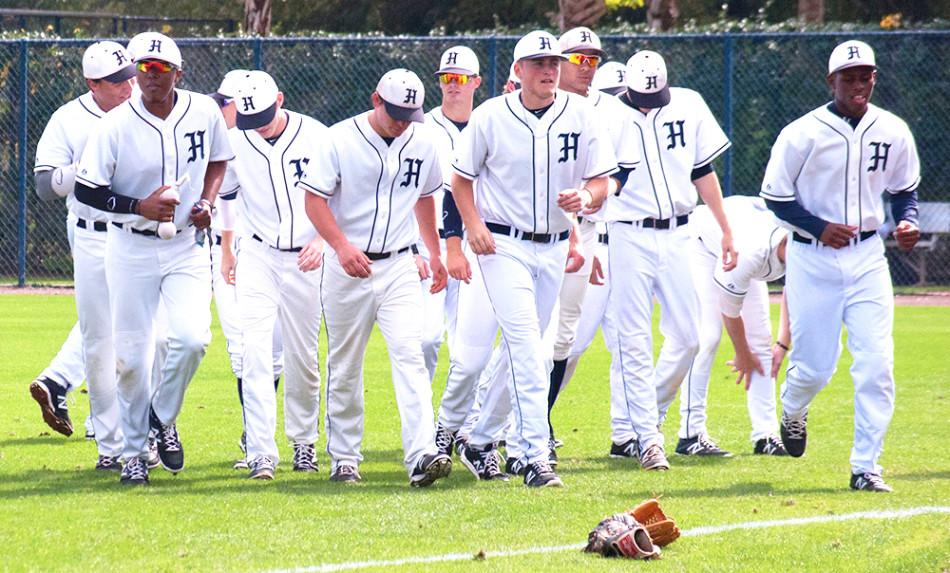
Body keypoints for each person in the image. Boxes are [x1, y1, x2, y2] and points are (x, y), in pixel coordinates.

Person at [453, 30, 618, 488]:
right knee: (530, 348)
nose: (549, 70)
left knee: (519, 351)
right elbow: (461, 179)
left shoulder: (582, 115)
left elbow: (604, 180)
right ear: (518, 70)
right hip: (502, 244)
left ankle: (480, 439)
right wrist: (473, 226)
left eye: (554, 63)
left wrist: (587, 194)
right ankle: (532, 454)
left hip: (554, 245)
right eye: (539, 63)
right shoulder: (490, 115)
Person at [761, 40, 921, 492]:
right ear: (830, 81)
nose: (858, 83)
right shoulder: (802, 133)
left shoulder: (891, 129)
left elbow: (904, 190)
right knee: (815, 368)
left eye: (865, 75)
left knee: (876, 363)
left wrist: (906, 222)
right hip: (813, 257)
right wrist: (817, 225)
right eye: (848, 76)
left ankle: (866, 465)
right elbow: (774, 195)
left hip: (869, 256)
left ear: (874, 79)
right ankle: (792, 409)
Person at [76, 32, 233, 485]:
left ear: (178, 73)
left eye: (160, 69)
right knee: (130, 357)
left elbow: (220, 160)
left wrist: (206, 201)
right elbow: (88, 189)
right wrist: (136, 206)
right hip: (129, 248)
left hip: (185, 245)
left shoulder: (202, 111)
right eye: (144, 68)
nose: (151, 77)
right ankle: (132, 455)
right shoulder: (115, 124)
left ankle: (160, 419)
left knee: (191, 339)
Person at [299, 68, 452, 487]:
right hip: (348, 267)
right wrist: (341, 247)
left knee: (412, 351)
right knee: (346, 363)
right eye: (396, 111)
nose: (402, 121)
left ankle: (421, 454)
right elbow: (314, 202)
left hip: (401, 263)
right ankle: (345, 457)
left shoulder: (423, 140)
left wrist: (434, 252)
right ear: (375, 100)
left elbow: (425, 198)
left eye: (410, 112)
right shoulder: (338, 139)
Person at [606, 49, 736, 470]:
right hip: (628, 234)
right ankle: (647, 438)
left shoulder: (688, 102)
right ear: (626, 88)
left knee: (689, 337)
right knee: (634, 339)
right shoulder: (608, 116)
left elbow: (703, 171)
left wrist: (726, 227)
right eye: (642, 96)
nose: (649, 103)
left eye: (656, 94)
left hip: (680, 231)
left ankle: (646, 415)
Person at [31, 41, 135, 470]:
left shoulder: (146, 110)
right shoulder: (69, 119)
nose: (128, 85)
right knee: (98, 336)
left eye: (129, 75)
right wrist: (84, 166)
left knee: (147, 336)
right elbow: (43, 185)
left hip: (139, 234)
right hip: (92, 235)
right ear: (93, 83)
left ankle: (64, 386)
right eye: (117, 81)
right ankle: (108, 441)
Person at [222, 70, 327, 480]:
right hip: (259, 255)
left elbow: (338, 192)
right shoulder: (237, 140)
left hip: (307, 256)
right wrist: (229, 247)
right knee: (255, 352)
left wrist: (321, 239)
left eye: (265, 114)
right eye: (251, 118)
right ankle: (261, 450)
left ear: (280, 99)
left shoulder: (316, 135)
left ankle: (304, 442)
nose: (259, 125)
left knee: (303, 356)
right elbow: (228, 195)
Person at [207, 70, 286, 470]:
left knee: (276, 354)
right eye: (222, 101)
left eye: (226, 101)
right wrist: (225, 250)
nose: (222, 108)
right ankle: (254, 436)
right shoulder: (224, 141)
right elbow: (224, 198)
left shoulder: (275, 139)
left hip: (271, 251)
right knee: (243, 349)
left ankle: (254, 432)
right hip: (233, 248)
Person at [677, 196, 789, 457]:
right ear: (786, 241)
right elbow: (730, 311)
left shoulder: (801, 247)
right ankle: (690, 434)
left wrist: (781, 346)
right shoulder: (753, 250)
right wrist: (742, 355)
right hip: (704, 244)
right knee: (707, 337)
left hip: (741, 244)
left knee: (762, 341)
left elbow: (795, 294)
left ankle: (766, 435)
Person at [421, 45, 482, 387]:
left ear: (476, 82)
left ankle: (463, 426)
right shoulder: (422, 127)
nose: (452, 84)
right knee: (426, 340)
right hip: (429, 240)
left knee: (467, 345)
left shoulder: (489, 124)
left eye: (459, 78)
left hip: (472, 243)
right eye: (446, 77)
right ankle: (423, 425)